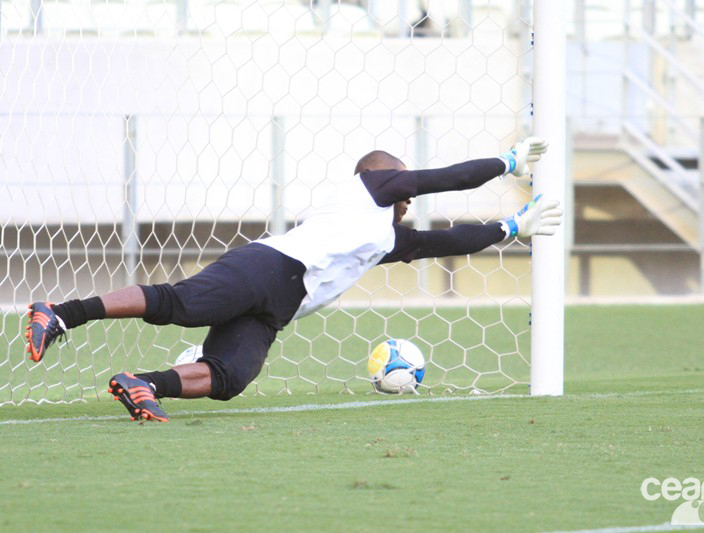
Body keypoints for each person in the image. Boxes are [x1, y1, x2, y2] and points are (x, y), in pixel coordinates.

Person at [24, 137, 562, 422]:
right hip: (266, 267)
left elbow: (442, 243)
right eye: (403, 187)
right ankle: (60, 313)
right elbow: (443, 178)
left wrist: (510, 226)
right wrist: (506, 161)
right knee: (181, 304)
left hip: (276, 306)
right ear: (379, 176)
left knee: (232, 376)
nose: (409, 197)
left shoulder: (383, 235)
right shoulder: (368, 190)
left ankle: (143, 384)